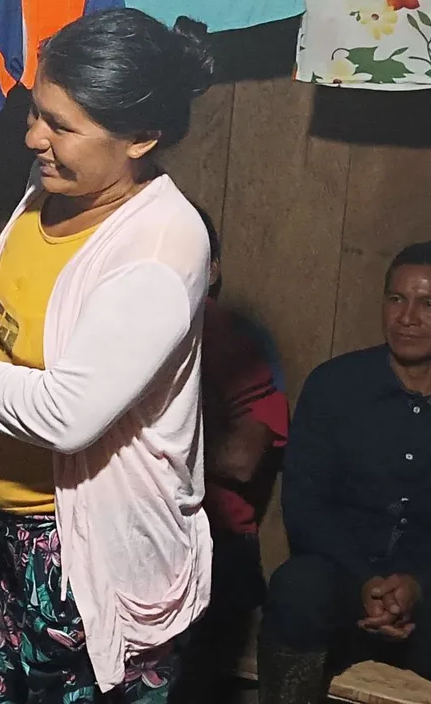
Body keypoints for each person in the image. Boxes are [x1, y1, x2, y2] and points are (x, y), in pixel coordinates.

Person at [0, 8, 217, 704]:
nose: (33, 137)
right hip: (11, 534)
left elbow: (66, 415)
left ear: (141, 138)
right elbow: (24, 327)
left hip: (86, 556)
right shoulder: (56, 187)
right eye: (36, 111)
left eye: (61, 126)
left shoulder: (158, 250)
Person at [259, 242, 431, 704]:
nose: (407, 318)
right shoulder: (335, 386)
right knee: (297, 588)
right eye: (396, 299)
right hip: (348, 584)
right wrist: (365, 580)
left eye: (428, 304)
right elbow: (306, 504)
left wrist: (421, 584)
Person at [179, 205, 290, 701]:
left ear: (212, 271)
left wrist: (148, 446)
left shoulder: (232, 339)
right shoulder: (118, 323)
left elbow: (244, 460)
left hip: (211, 542)